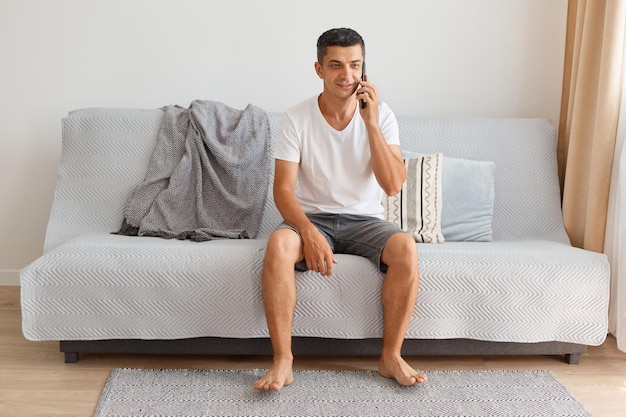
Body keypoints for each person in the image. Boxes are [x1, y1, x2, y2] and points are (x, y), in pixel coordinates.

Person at [253, 27, 427, 391]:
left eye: (354, 65)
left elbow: (393, 185)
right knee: (279, 245)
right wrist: (309, 232)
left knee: (405, 247)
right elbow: (283, 192)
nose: (346, 75)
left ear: (364, 70)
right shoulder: (296, 118)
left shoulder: (382, 116)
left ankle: (390, 356)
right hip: (312, 217)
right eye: (336, 65)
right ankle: (283, 360)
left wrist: (371, 123)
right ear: (319, 69)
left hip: (365, 220)